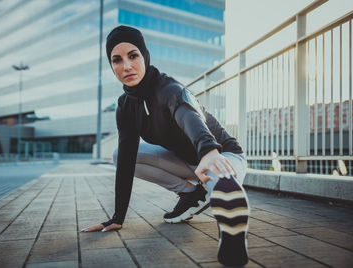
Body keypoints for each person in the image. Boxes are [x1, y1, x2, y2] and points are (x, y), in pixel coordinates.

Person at [82, 25, 250, 266]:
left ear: (145, 56)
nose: (126, 66)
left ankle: (230, 231)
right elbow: (128, 160)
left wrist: (208, 150)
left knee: (220, 181)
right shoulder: (125, 106)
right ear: (111, 66)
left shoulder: (170, 89)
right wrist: (117, 217)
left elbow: (188, 115)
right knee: (120, 155)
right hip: (187, 162)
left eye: (133, 56)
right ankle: (190, 193)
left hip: (222, 154)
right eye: (116, 60)